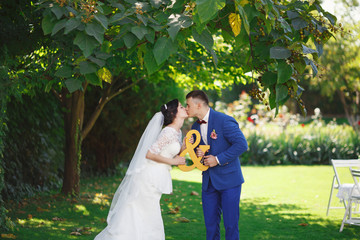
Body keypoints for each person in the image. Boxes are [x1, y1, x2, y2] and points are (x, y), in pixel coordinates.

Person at [94, 99, 187, 240]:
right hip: (148, 176)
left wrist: (183, 148)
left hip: (158, 176)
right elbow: (150, 154)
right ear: (174, 113)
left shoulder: (177, 132)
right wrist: (173, 161)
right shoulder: (167, 132)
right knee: (143, 210)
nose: (185, 108)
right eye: (181, 106)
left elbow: (170, 152)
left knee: (146, 211)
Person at [185, 90, 248, 240]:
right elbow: (201, 153)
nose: (186, 108)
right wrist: (200, 156)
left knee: (231, 226)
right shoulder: (195, 127)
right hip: (208, 183)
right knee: (210, 226)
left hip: (229, 182)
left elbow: (241, 144)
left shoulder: (224, 121)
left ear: (199, 105)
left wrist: (218, 159)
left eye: (188, 105)